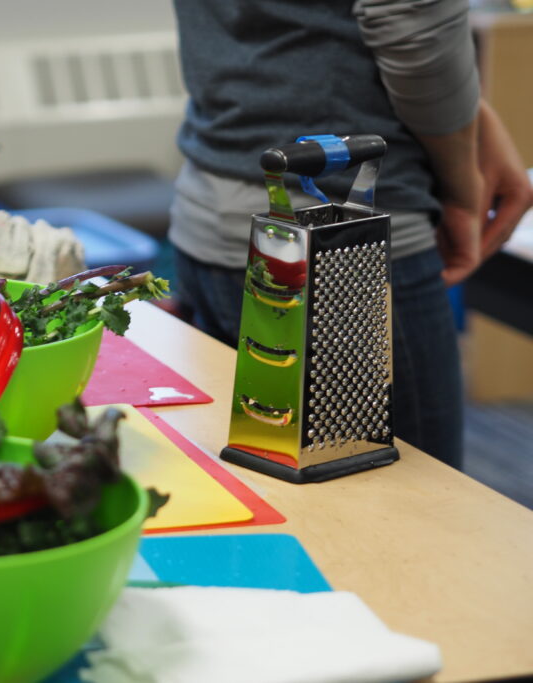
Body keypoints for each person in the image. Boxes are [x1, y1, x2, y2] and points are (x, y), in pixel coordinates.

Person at [168, 0, 533, 469]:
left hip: (205, 208)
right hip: (354, 254)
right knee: (415, 513)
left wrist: (477, 116)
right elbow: (412, 25)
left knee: (274, 502)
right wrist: (464, 188)